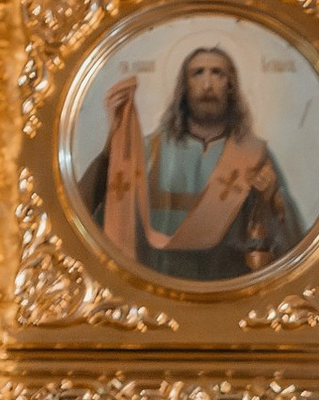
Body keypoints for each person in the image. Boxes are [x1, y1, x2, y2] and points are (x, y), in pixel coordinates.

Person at [80, 46, 302, 283]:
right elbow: (90, 212)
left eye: (217, 73)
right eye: (197, 73)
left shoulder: (254, 156)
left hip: (227, 290)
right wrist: (111, 150)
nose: (207, 84)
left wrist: (269, 201)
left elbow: (291, 239)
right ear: (184, 88)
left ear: (231, 86)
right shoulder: (149, 151)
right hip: (159, 286)